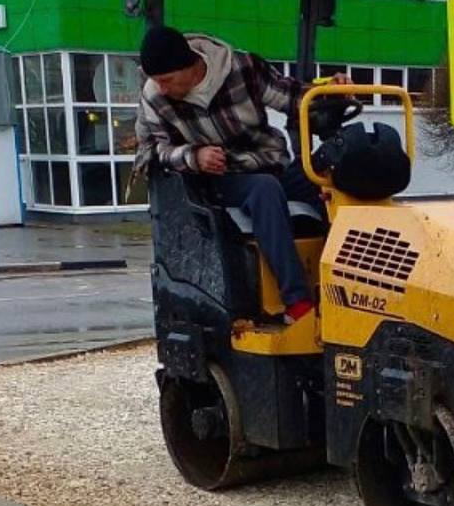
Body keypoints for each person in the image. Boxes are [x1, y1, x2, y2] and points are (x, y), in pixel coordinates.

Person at [133, 26, 348, 326]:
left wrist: (334, 94)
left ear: (191, 65)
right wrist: (193, 156)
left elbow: (293, 97)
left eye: (167, 80)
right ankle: (298, 301)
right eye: (156, 81)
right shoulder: (155, 97)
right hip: (218, 179)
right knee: (264, 189)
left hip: (268, 161)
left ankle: (348, 288)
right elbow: (153, 149)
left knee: (332, 184)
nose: (162, 88)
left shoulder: (242, 69)